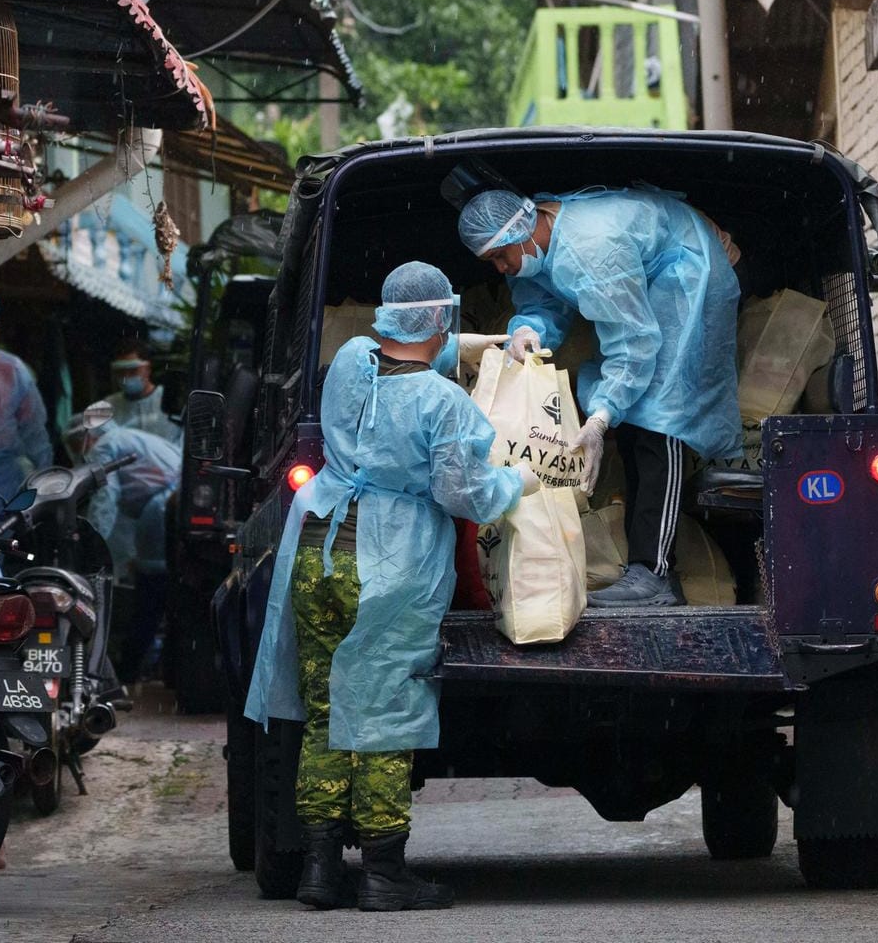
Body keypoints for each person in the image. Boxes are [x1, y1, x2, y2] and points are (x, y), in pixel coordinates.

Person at [244, 262, 534, 913]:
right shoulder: (444, 405)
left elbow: (411, 360)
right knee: (383, 719)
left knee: (326, 714)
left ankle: (319, 869)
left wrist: (491, 344)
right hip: (386, 564)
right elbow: (466, 495)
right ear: (440, 317)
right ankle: (382, 872)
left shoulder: (349, 361)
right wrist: (520, 484)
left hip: (319, 548)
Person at [458, 185, 742, 608]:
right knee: (631, 420)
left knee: (660, 421)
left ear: (521, 232)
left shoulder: (592, 250)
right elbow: (542, 298)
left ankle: (656, 575)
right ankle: (643, 569)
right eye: (491, 262)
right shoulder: (539, 246)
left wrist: (601, 417)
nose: (499, 269)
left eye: (501, 256)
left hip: (687, 274)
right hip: (645, 278)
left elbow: (634, 342)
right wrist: (530, 328)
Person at [64, 401, 183, 682]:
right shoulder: (125, 437)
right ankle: (152, 663)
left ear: (86, 435)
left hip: (162, 510)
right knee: (163, 589)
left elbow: (105, 502)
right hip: (171, 506)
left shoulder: (104, 447)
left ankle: (130, 668)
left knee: (151, 591)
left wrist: (87, 545)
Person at [0, 288, 51, 520]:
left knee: (0, 539)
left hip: (3, 477)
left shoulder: (12, 369)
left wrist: (44, 476)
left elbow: (33, 427)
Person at [101, 341, 182, 445]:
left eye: (133, 371)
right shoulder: (109, 405)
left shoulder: (171, 398)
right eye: (120, 372)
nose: (126, 377)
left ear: (147, 369)